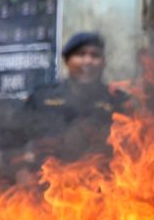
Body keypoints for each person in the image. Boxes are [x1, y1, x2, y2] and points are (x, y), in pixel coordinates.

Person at [24, 31, 125, 163]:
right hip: (48, 177)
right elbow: (17, 141)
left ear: (103, 62)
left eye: (95, 55)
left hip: (103, 179)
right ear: (66, 60)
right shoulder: (41, 97)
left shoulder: (118, 100)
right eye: (80, 54)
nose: (88, 61)